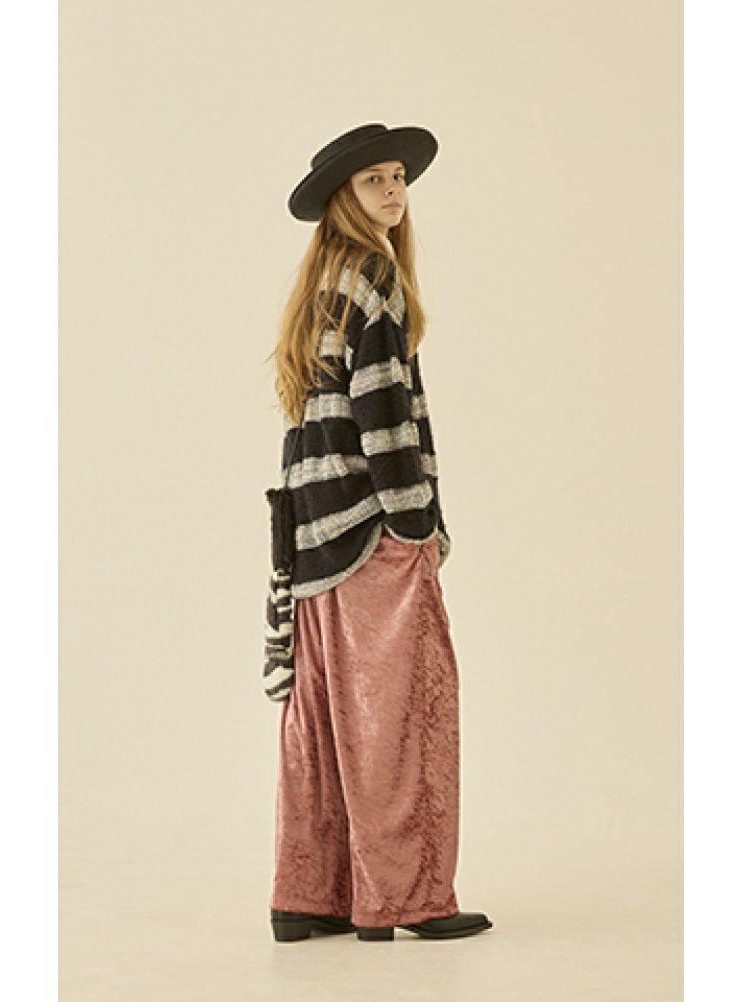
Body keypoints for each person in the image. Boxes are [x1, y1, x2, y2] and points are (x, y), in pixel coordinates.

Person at [265, 123, 493, 943]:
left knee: (324, 722)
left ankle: (309, 897)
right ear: (344, 197)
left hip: (312, 533)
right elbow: (382, 410)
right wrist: (413, 521)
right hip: (369, 529)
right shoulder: (373, 273)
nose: (394, 191)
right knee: (403, 720)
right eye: (375, 180)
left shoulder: (323, 279)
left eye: (398, 177)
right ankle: (406, 900)